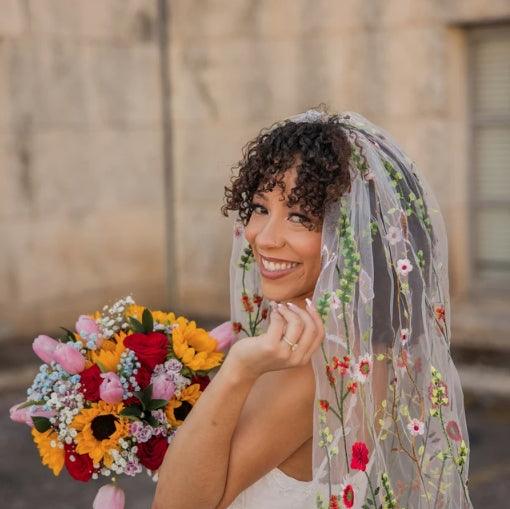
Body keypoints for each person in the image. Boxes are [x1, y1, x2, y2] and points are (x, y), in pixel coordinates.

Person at [152, 106, 473, 509]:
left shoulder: (308, 367)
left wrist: (237, 369)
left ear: (353, 238)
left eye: (300, 216)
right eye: (260, 208)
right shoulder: (368, 347)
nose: (265, 238)